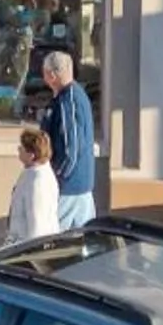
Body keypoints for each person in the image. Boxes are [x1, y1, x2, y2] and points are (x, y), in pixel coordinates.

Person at [38, 50, 97, 230]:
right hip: (79, 186)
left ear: (52, 75)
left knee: (53, 238)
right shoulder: (71, 96)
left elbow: (72, 147)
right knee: (83, 239)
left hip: (70, 189)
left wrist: (57, 178)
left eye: (45, 72)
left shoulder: (69, 100)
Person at [5, 126, 58, 244]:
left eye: (22, 148)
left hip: (26, 249)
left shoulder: (38, 182)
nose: (18, 150)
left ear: (31, 155)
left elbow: (37, 225)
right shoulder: (32, 172)